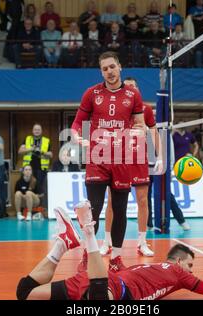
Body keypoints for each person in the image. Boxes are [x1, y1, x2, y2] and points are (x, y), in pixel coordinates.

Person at [17, 202, 203, 300]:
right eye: (189, 265)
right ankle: (87, 231)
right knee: (98, 300)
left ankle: (63, 243)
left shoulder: (145, 269)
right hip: (111, 292)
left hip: (102, 283)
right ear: (177, 260)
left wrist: (96, 263)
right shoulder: (178, 274)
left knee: (24, 293)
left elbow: (120, 271)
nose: (190, 271)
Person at [71, 51, 145, 272]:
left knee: (120, 209)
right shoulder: (91, 93)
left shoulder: (133, 95)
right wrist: (78, 138)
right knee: (92, 210)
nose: (109, 72)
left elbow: (140, 124)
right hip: (97, 158)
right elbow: (76, 124)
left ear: (119, 66)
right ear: (101, 71)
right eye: (105, 69)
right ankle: (88, 254)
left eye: (112, 67)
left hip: (122, 160)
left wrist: (137, 133)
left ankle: (117, 259)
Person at [100, 77, 160, 258]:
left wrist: (159, 155)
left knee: (143, 200)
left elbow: (154, 130)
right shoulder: (116, 109)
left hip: (140, 159)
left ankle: (142, 242)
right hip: (119, 158)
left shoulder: (146, 109)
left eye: (134, 86)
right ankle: (107, 241)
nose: (131, 89)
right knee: (112, 201)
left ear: (138, 89)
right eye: (128, 87)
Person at [18, 123, 52, 207]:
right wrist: (31, 149)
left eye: (38, 129)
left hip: (41, 169)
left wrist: (42, 152)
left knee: (41, 190)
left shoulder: (46, 140)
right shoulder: (27, 139)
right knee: (29, 189)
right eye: (35, 129)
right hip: (28, 170)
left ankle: (41, 209)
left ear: (41, 131)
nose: (37, 131)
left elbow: (51, 155)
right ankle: (28, 208)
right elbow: (20, 151)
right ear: (32, 131)